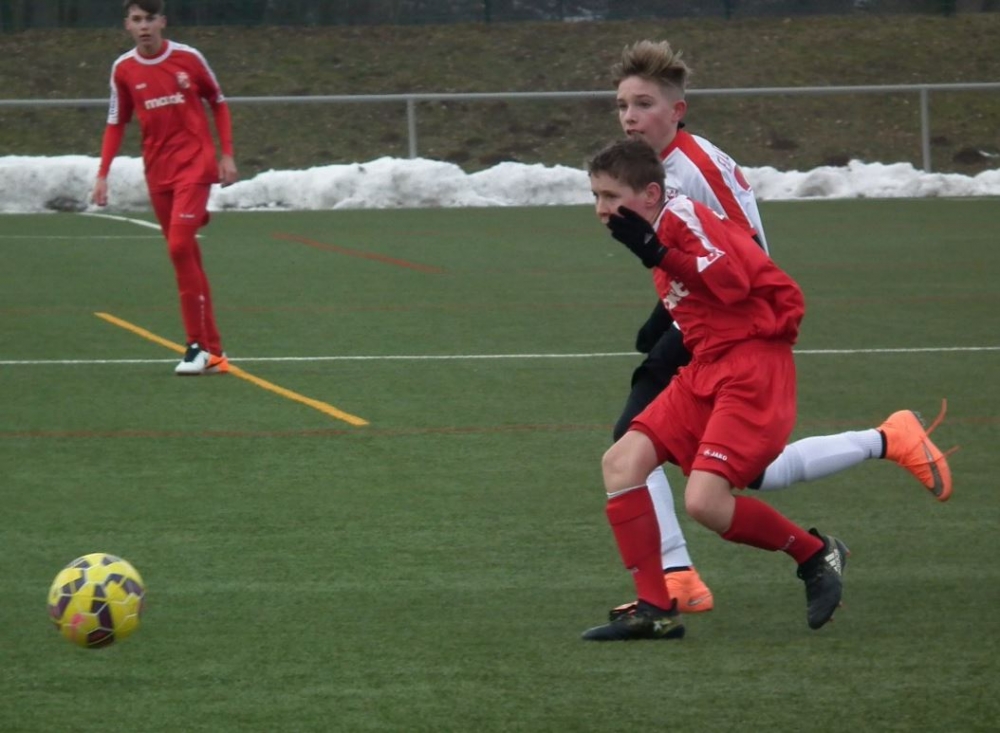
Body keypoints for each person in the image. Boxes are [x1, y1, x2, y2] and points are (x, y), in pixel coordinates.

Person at [603, 40, 954, 619]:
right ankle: (887, 439)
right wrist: (665, 307)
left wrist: (673, 306)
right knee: (744, 470)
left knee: (635, 446)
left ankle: (675, 577)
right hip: (710, 320)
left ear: (677, 110)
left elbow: (744, 257)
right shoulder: (659, 170)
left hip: (737, 328)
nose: (630, 117)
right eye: (622, 106)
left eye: (643, 104)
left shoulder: (694, 169)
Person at [581, 138, 858, 641]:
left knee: (705, 502)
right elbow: (699, 286)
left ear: (650, 194)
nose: (601, 208)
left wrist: (657, 253)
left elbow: (730, 281)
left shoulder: (680, 216)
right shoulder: (659, 226)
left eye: (610, 196)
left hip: (750, 365)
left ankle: (816, 554)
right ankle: (655, 609)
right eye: (595, 196)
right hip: (707, 364)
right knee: (621, 463)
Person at [91, 0, 236, 376]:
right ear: (127, 24)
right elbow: (116, 122)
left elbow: (218, 102)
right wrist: (103, 173)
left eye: (150, 19)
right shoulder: (123, 69)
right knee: (187, 256)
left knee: (178, 247)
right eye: (137, 19)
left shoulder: (188, 58)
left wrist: (227, 155)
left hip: (195, 165)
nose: (144, 26)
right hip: (158, 172)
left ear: (162, 22)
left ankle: (195, 347)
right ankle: (215, 351)